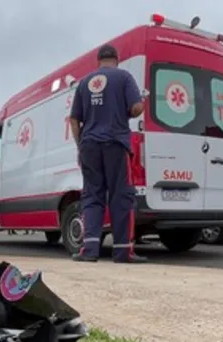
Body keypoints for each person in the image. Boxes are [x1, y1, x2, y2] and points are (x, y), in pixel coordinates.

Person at [68, 44, 146, 263]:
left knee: (92, 196)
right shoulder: (124, 77)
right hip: (115, 143)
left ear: (99, 61)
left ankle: (89, 250)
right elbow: (136, 108)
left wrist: (80, 146)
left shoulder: (84, 82)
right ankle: (122, 251)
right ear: (116, 59)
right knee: (121, 196)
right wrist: (139, 105)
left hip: (89, 146)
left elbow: (74, 119)